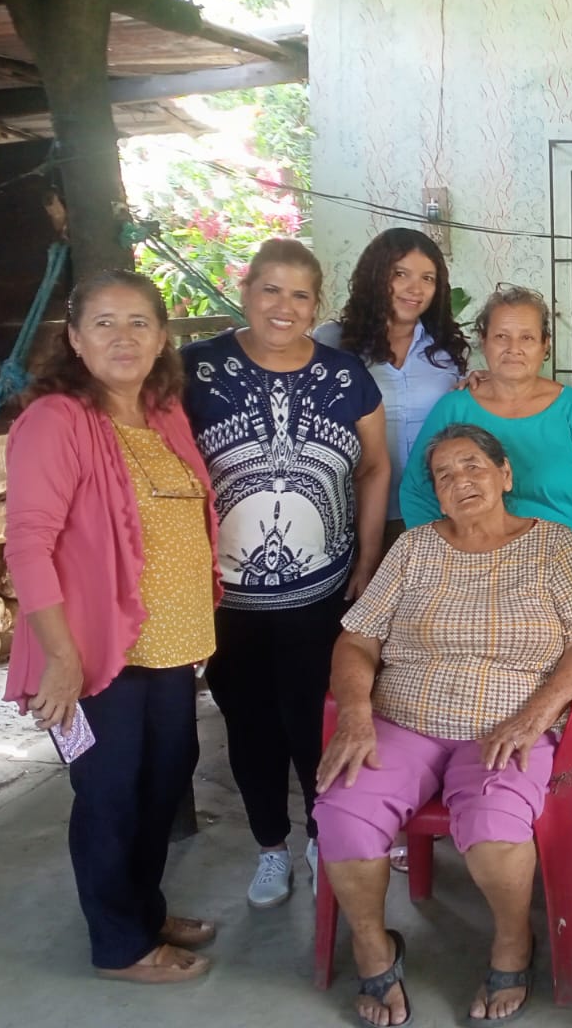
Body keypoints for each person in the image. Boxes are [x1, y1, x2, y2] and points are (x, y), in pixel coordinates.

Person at [316, 424, 572, 1026]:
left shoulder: (552, 545)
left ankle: (513, 941)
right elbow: (358, 639)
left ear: (505, 474)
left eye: (473, 465)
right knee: (343, 811)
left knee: (496, 828)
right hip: (405, 719)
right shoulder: (413, 548)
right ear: (436, 495)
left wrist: (536, 717)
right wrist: (354, 714)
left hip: (508, 722)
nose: (461, 481)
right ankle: (372, 947)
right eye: (444, 475)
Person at [3, 270, 220, 983]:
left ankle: (141, 910)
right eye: (104, 323)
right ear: (74, 338)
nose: (123, 338)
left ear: (161, 338)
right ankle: (118, 944)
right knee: (110, 794)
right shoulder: (56, 420)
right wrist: (61, 658)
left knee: (162, 781)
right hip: (95, 655)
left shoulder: (162, 414)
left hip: (169, 646)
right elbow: (27, 544)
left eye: (138, 323)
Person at [181, 238, 390, 908]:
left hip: (321, 593)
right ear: (245, 291)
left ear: (316, 305)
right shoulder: (195, 369)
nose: (284, 306)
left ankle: (323, 834)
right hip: (226, 600)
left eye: (300, 294)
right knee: (249, 727)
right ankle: (270, 847)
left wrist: (367, 559)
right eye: (270, 289)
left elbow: (375, 465)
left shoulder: (345, 375)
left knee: (313, 722)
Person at [400, 284, 572, 883]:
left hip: (559, 577)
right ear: (483, 343)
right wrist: (451, 562)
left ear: (546, 345)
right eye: (501, 335)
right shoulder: (456, 408)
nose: (514, 348)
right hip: (465, 580)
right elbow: (418, 492)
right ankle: (476, 800)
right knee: (464, 681)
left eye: (527, 336)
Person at [314, 227, 468, 551]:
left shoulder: (447, 350)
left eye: (428, 278)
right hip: (349, 514)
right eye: (401, 274)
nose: (415, 289)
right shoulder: (333, 343)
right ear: (375, 275)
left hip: (431, 514)